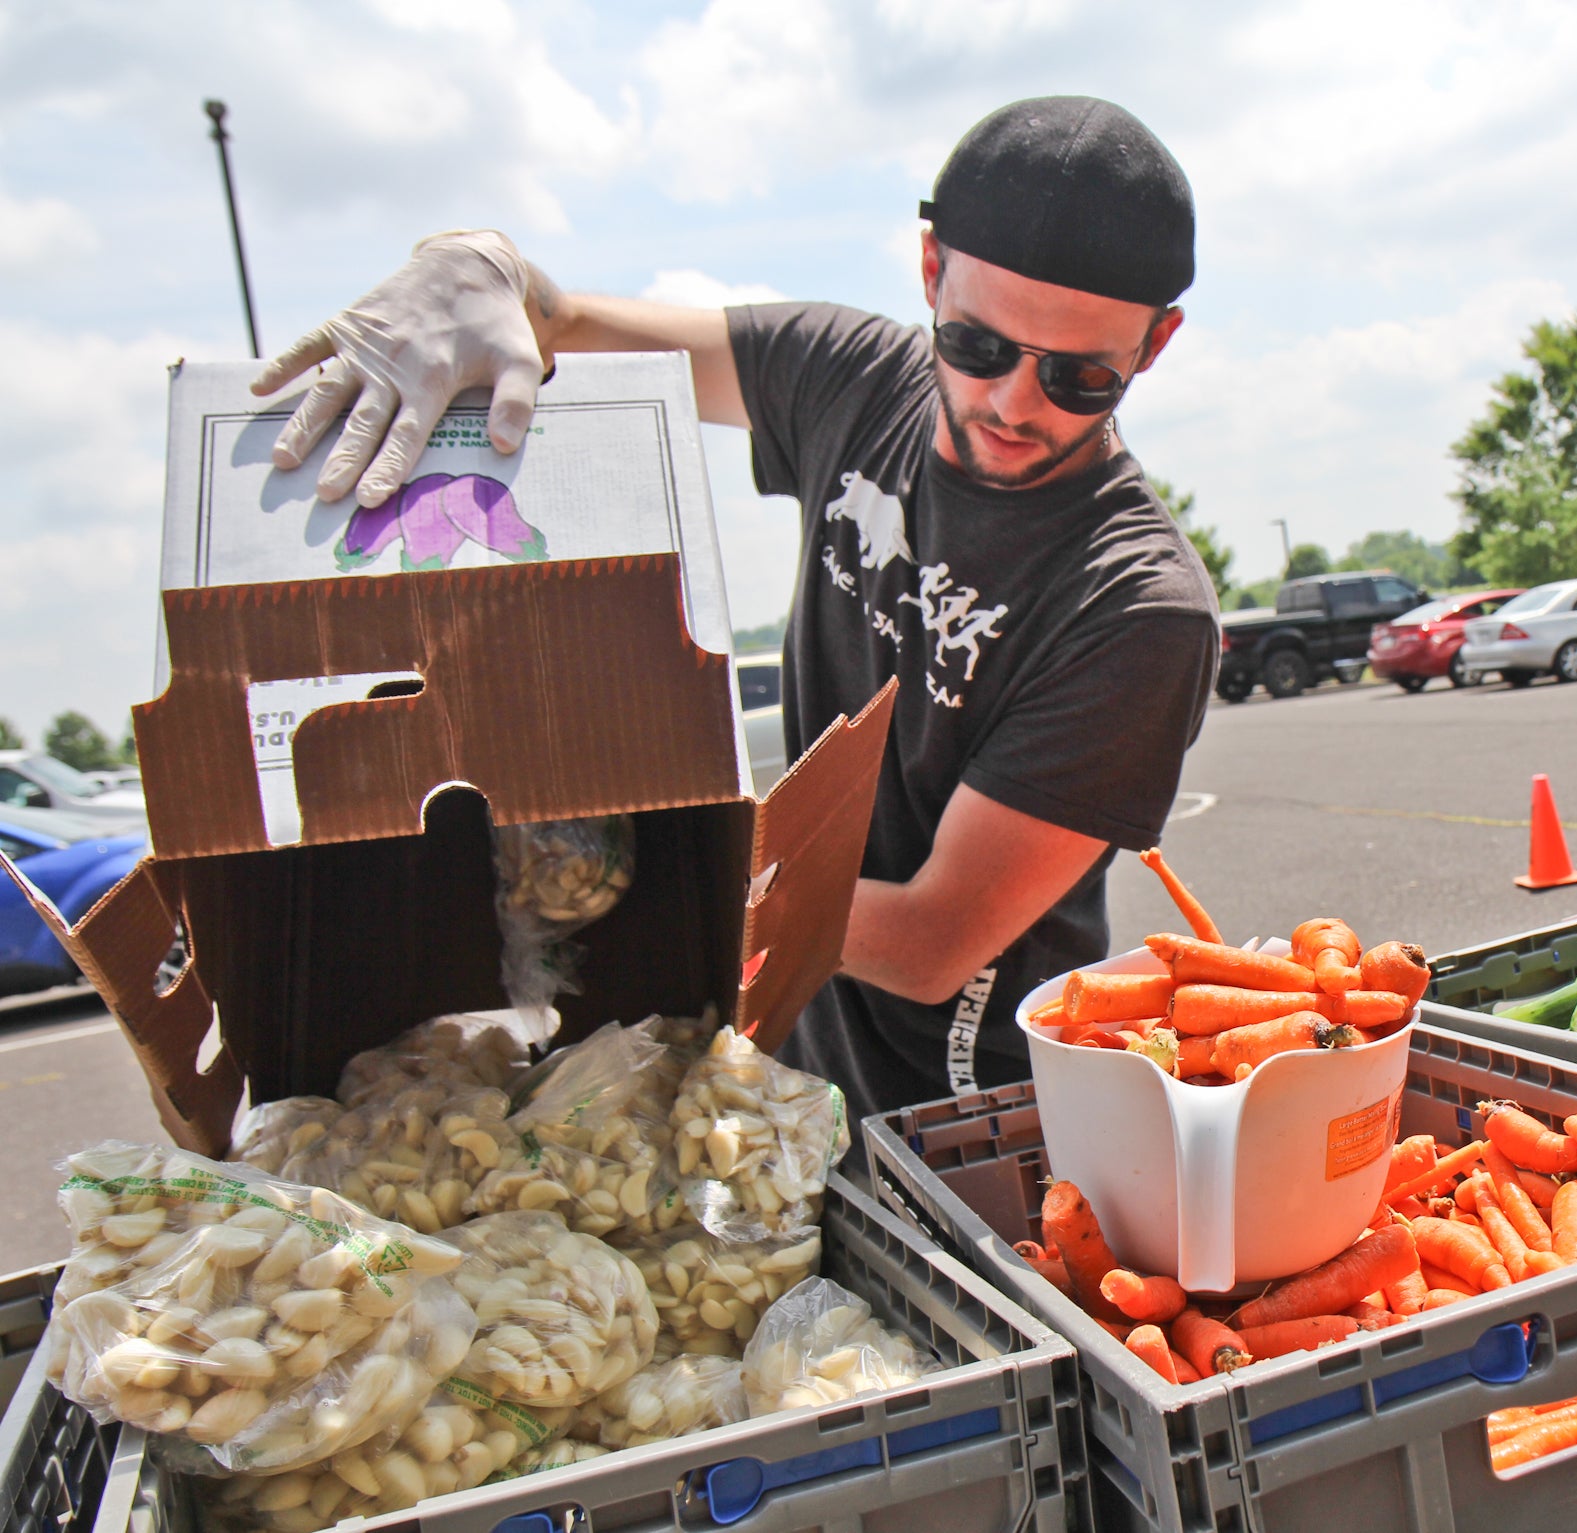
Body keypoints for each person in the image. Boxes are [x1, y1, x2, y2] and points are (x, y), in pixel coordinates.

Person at [253, 97, 1222, 1119]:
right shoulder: (851, 381)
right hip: (803, 1068)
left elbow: (931, 941)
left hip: (970, 1114)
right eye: (977, 347)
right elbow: (569, 329)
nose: (1014, 404)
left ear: (1153, 345)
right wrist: (475, 267)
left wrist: (645, 858)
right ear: (931, 269)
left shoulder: (1135, 608)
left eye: (1080, 378)